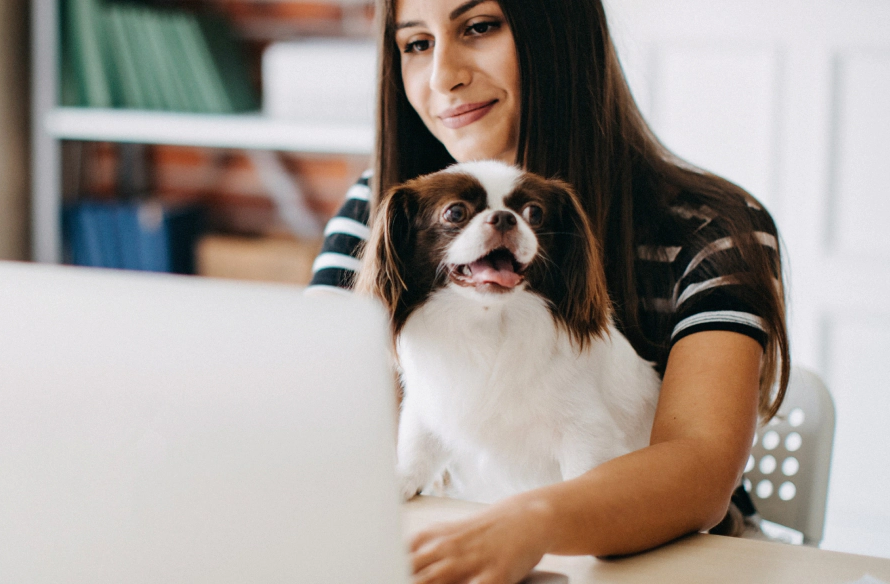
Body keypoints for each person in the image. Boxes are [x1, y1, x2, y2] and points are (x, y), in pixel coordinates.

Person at [307, 1, 791, 583]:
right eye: (416, 45)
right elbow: (321, 409)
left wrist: (530, 523)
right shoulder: (383, 207)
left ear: (559, 29)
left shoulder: (713, 226)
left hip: (674, 558)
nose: (443, 76)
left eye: (479, 27)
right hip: (464, 546)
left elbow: (701, 471)